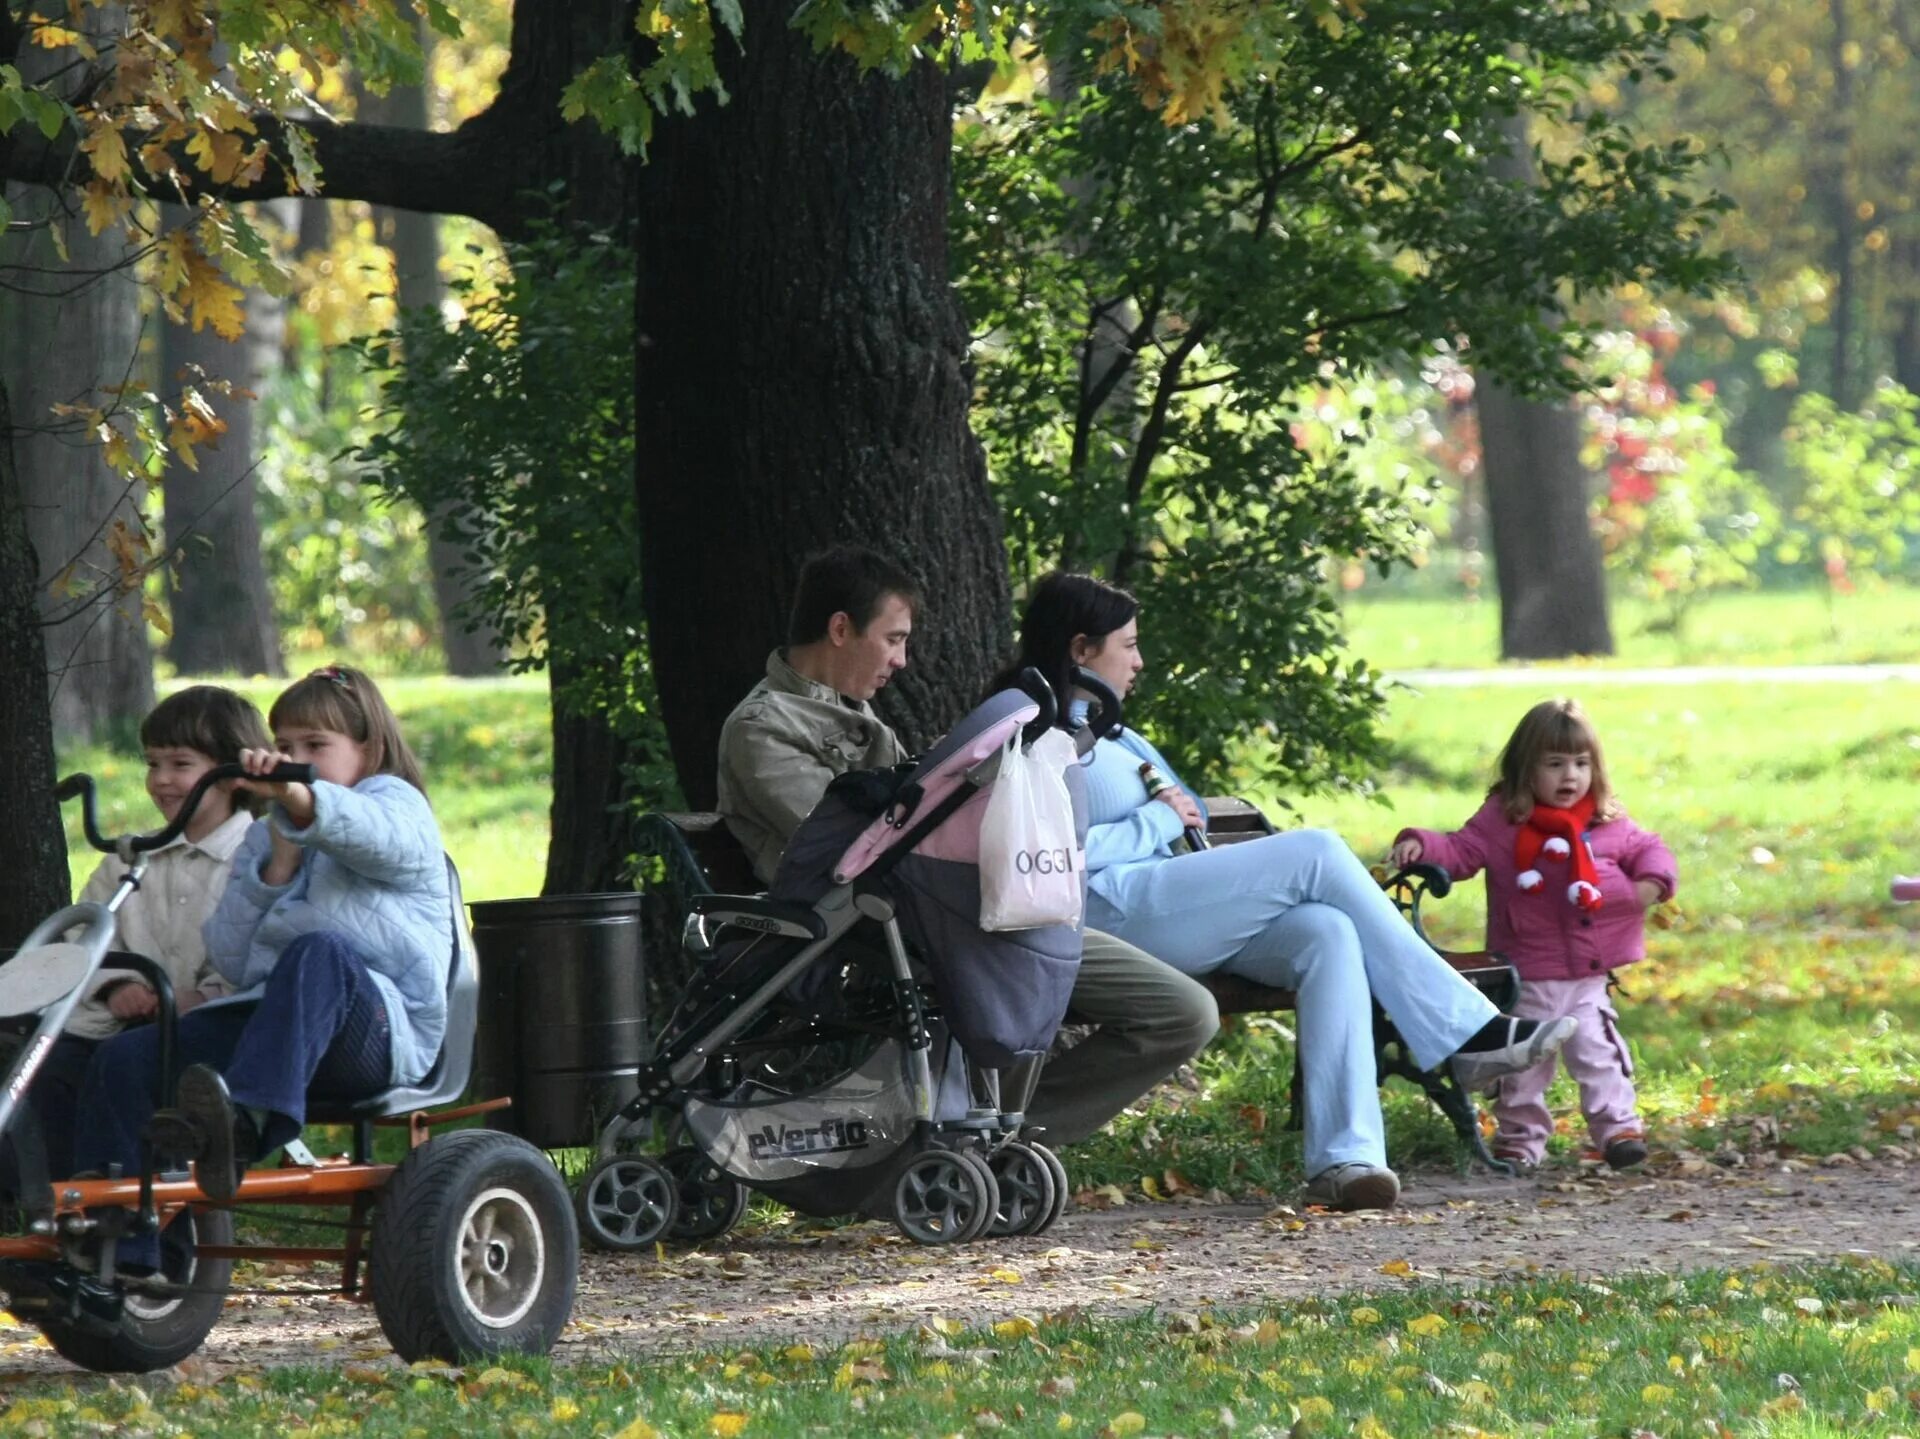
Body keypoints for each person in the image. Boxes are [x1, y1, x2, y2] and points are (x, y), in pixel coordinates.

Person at [1009, 571, 1580, 1211]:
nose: (1140, 661)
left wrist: (1174, 817)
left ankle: (1347, 1160)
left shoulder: (1113, 732)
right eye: (1129, 645)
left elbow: (1183, 814)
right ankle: (1466, 1033)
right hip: (1104, 917)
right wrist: (1159, 820)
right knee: (1316, 851)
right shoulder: (1039, 733)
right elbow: (1055, 860)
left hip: (1164, 907)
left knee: (1326, 933)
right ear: (1082, 649)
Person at [717, 545, 1219, 1151]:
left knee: (1183, 1012)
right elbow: (841, 845)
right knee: (1109, 988)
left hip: (965, 909)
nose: (903, 661)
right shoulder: (764, 727)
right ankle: (979, 1147)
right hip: (887, 925)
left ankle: (1011, 1136)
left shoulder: (858, 715)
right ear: (841, 629)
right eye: (894, 639)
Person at [71, 665, 453, 1219]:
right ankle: (116, 1243)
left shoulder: (396, 802)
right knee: (127, 1056)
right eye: (284, 745)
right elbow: (231, 958)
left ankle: (245, 1125)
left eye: (315, 744)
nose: (295, 756)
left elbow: (382, 840)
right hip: (275, 1025)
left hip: (377, 1030)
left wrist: (305, 804)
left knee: (319, 950)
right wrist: (276, 867)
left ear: (366, 751)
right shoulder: (268, 832)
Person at [1391, 698, 1677, 1172]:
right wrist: (1422, 843)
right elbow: (1460, 850)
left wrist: (1651, 882)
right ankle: (1521, 1140)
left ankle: (1618, 1130)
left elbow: (1649, 847)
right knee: (1524, 1062)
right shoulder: (1502, 821)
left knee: (1598, 1052)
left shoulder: (1604, 823)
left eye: (1581, 764)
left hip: (1585, 975)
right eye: (1555, 764)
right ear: (1526, 769)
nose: (1570, 776)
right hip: (1526, 973)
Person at [4, 687, 268, 1187]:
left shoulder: (256, 859)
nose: (161, 781)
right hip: (113, 1025)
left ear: (233, 775)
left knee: (121, 1068)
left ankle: (124, 1229)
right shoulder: (128, 861)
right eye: (152, 764)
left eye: (180, 764)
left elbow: (262, 952)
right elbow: (85, 940)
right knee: (44, 1072)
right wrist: (113, 985)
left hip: (205, 1031)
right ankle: (60, 1208)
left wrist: (204, 997)